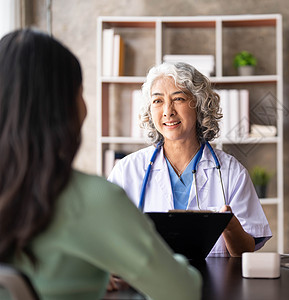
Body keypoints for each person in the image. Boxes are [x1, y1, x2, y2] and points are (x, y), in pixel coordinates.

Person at [0, 29, 201, 300]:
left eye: (178, 98)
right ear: (68, 107)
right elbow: (183, 291)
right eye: (81, 92)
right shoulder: (93, 199)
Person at [108, 62, 272, 257]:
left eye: (178, 98)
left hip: (215, 284)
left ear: (199, 104)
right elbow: (106, 237)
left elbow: (246, 252)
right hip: (149, 282)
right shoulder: (127, 170)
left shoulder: (231, 173)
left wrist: (229, 224)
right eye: (157, 101)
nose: (168, 111)